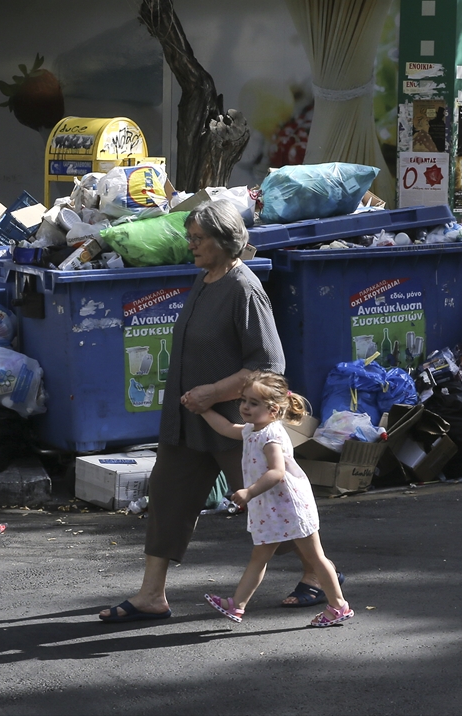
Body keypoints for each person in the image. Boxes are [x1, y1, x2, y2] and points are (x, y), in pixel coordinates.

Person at [98, 200, 334, 623]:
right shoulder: (205, 279)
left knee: (277, 502)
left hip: (237, 425)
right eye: (190, 237)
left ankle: (316, 575)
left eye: (199, 238)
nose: (191, 245)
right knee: (167, 498)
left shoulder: (244, 288)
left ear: (225, 241)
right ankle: (152, 595)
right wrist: (196, 400)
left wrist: (213, 392)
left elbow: (267, 363)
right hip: (190, 419)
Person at [199, 371, 352, 628]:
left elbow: (277, 472)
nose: (245, 407)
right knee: (259, 556)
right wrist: (202, 409)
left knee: (315, 557)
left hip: (289, 506)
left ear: (272, 410)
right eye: (244, 400)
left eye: (253, 403)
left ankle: (338, 606)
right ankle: (237, 604)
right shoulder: (252, 430)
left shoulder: (271, 435)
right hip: (270, 507)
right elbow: (226, 428)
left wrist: (249, 492)